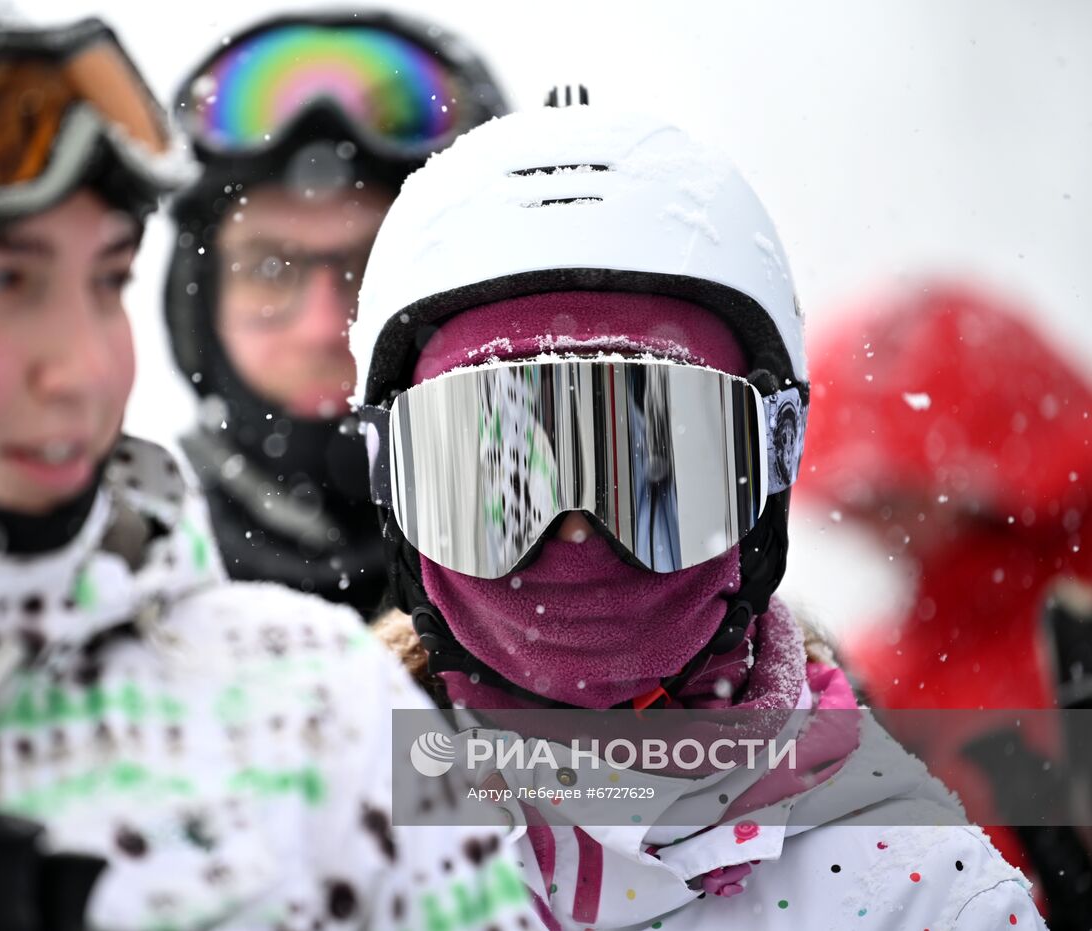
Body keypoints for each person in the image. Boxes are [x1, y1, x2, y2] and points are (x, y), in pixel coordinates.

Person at [0, 2, 538, 928]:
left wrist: (634, 757)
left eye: (106, 279)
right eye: (4, 279)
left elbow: (708, 792)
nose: (88, 366)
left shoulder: (314, 697)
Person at [352, 96, 1045, 927]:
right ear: (396, 482)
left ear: (769, 465)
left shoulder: (918, 893)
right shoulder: (292, 832)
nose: (574, 532)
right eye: (505, 478)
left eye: (652, 468)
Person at [162, 11, 508, 617]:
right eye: (270, 270)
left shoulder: (609, 567)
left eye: (373, 269)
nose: (325, 328)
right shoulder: (130, 587)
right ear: (197, 304)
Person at [797, 280, 1092, 925]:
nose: (875, 524)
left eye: (893, 492)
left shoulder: (1064, 633)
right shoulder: (883, 672)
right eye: (859, 499)